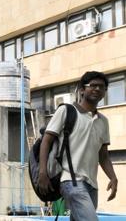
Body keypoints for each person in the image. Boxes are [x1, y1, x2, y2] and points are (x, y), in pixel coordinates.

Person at [38, 71, 118, 220]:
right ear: (82, 90)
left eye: (102, 87)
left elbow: (103, 155)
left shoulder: (103, 121)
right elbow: (46, 141)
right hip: (70, 180)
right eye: (92, 85)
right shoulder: (66, 111)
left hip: (92, 185)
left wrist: (113, 178)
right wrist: (42, 173)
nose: (97, 89)